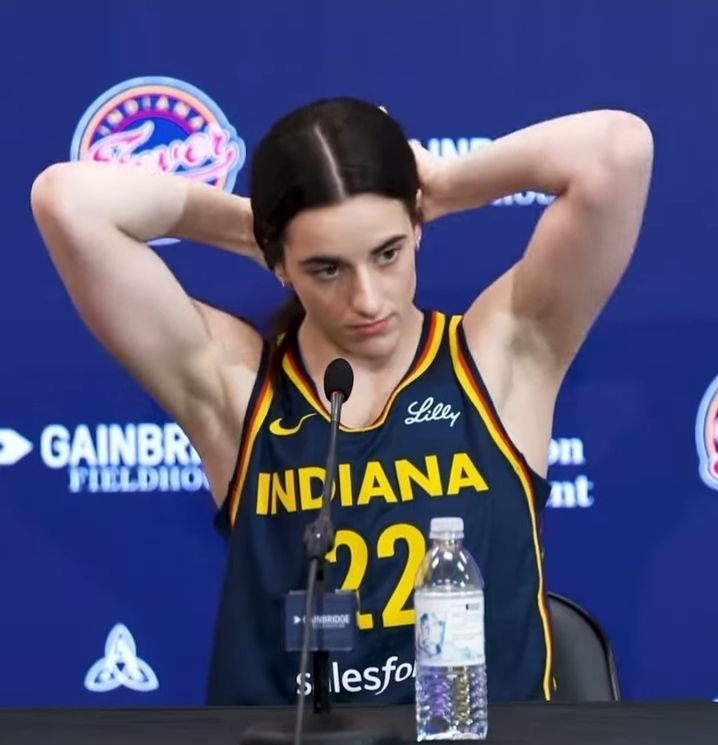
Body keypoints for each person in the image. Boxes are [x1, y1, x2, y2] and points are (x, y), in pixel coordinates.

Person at [30, 97, 653, 705]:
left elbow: (617, 151)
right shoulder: (234, 389)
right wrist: (254, 227)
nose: (368, 299)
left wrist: (441, 185)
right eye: (327, 268)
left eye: (387, 253)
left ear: (416, 229)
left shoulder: (502, 356)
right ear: (281, 265)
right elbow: (68, 202)